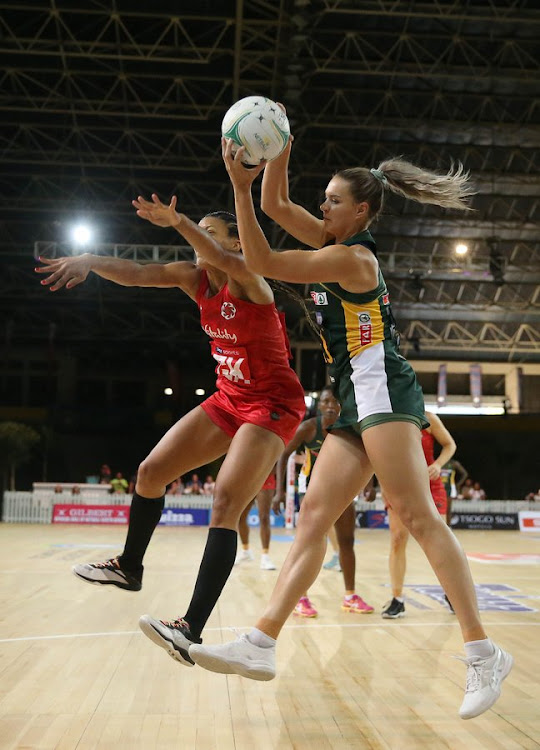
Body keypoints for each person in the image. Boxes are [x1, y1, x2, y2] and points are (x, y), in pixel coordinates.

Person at [188, 136, 513, 720]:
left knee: (417, 516)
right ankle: (261, 644)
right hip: (352, 395)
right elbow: (276, 206)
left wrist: (238, 186)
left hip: (382, 386)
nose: (324, 207)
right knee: (313, 517)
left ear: (360, 211)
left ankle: (483, 652)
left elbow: (260, 259)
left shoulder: (352, 258)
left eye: (334, 200)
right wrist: (279, 148)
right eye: (325, 198)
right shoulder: (331, 240)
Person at [35, 201, 305, 668]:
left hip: (272, 403)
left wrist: (179, 222)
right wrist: (92, 262)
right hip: (229, 398)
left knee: (224, 501)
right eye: (197, 231)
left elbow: (221, 260)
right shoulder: (193, 277)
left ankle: (190, 629)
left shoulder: (249, 278)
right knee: (150, 471)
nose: (200, 240)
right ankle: (128, 567)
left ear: (236, 241)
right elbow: (139, 273)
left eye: (211, 232)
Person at [273, 385, 374, 615]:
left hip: (342, 489)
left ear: (342, 406)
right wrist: (279, 492)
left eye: (335, 402)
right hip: (312, 491)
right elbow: (284, 454)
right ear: (319, 405)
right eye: (326, 401)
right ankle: (300, 598)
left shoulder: (349, 428)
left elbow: (367, 454)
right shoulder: (309, 428)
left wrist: (369, 485)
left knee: (346, 541)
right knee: (307, 542)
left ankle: (350, 596)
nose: (331, 406)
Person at [382, 411, 457, 619]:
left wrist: (438, 465)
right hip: (398, 484)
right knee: (397, 540)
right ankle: (397, 600)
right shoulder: (385, 417)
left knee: (442, 542)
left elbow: (450, 445)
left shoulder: (428, 418)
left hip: (429, 485)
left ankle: (452, 594)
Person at [235, 467, 278, 570]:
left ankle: (265, 557)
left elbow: (277, 462)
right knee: (240, 516)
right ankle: (246, 551)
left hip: (266, 476)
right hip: (248, 477)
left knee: (264, 517)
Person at [440, 457, 468, 525]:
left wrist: (458, 484)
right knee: (438, 507)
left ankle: (448, 526)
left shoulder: (453, 463)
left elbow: (465, 474)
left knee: (448, 508)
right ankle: (440, 526)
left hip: (449, 488)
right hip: (439, 487)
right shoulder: (439, 462)